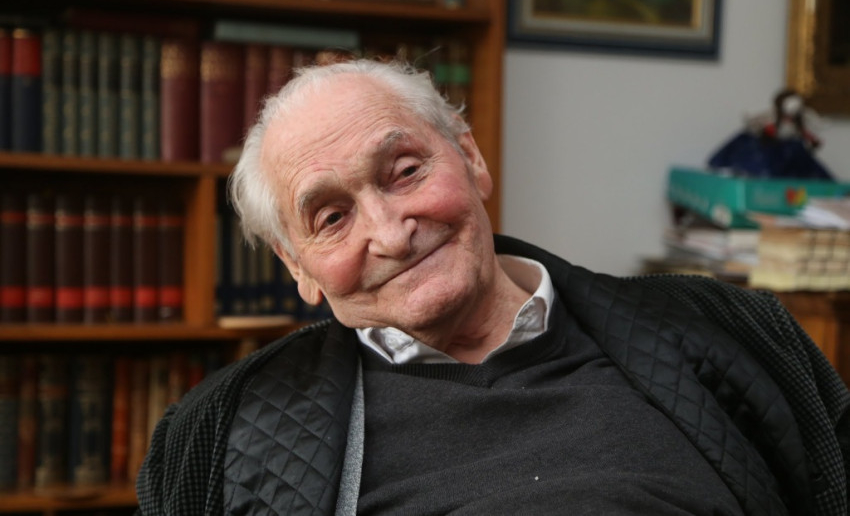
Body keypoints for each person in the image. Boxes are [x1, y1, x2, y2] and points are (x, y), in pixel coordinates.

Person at [135, 59, 850, 516]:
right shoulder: (216, 433)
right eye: (332, 217)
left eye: (405, 172)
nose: (390, 233)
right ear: (298, 267)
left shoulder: (730, 328)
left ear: (470, 157)